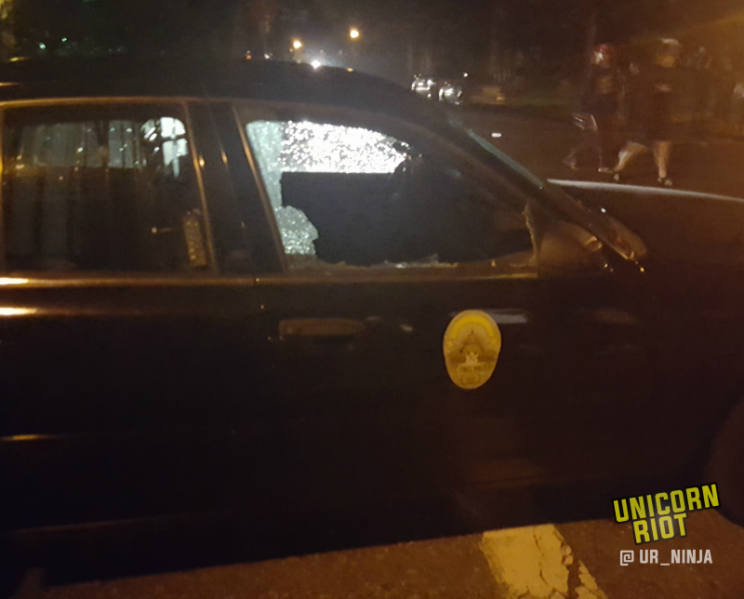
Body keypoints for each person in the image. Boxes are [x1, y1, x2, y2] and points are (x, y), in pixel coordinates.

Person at [611, 39, 681, 186]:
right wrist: (657, 89)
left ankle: (662, 175)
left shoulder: (672, 72)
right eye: (670, 55)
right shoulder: (649, 70)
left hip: (663, 115)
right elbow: (639, 92)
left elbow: (674, 92)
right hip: (647, 114)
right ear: (661, 55)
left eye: (674, 55)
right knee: (640, 144)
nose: (673, 58)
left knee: (663, 144)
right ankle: (619, 167)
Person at [563, 43, 621, 173]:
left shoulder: (614, 70)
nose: (603, 56)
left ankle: (574, 157)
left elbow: (616, 90)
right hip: (593, 107)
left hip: (608, 106)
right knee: (597, 135)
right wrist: (583, 110)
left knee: (604, 135)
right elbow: (585, 90)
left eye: (606, 54)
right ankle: (603, 164)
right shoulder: (592, 70)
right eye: (601, 53)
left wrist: (617, 108)